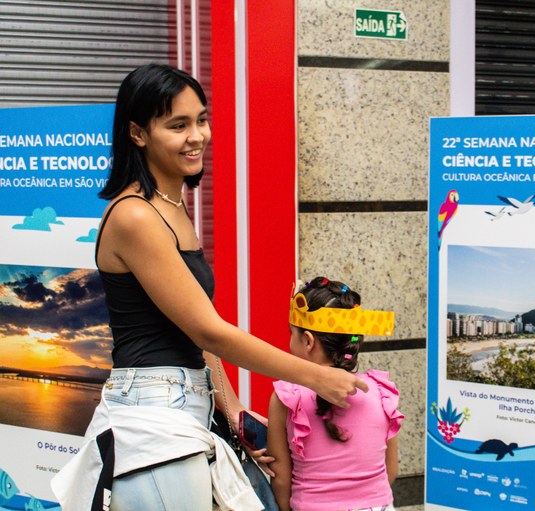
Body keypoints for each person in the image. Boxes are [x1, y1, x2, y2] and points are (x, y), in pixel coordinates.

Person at [51, 64, 367, 510]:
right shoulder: (135, 215)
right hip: (152, 418)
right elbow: (209, 331)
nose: (197, 136)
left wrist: (231, 408)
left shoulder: (171, 205)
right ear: (138, 133)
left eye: (201, 119)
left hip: (184, 406)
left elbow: (194, 327)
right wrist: (317, 376)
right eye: (177, 125)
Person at [268, 277, 403, 511]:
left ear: (307, 341)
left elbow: (280, 477)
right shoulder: (381, 392)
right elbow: (391, 471)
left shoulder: (287, 396)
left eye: (292, 333)